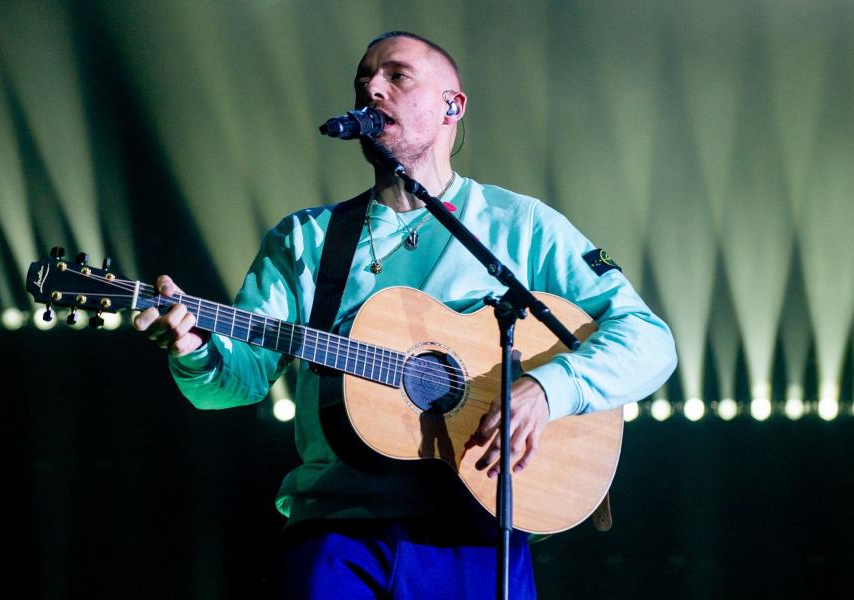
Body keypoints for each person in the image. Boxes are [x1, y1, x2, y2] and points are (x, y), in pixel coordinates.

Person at [134, 31, 677, 599]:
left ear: (453, 105)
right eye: (363, 79)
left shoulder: (522, 226)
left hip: (477, 531)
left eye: (397, 76)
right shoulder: (309, 240)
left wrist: (548, 388)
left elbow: (648, 341)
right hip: (335, 536)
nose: (372, 88)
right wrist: (194, 349)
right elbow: (235, 382)